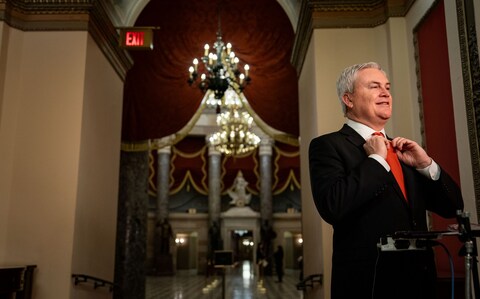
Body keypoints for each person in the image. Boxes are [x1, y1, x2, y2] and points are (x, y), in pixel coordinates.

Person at [308, 62, 464, 299]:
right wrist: (376, 162)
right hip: (370, 284)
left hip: (421, 283)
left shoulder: (404, 152)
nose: (385, 93)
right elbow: (333, 206)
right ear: (348, 100)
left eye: (387, 87)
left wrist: (426, 165)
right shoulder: (327, 146)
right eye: (374, 86)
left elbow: (452, 206)